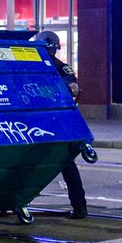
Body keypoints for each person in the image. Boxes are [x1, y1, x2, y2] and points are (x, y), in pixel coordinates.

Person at [34, 30, 87, 220]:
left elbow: (73, 86)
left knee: (65, 162)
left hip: (54, 121)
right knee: (63, 162)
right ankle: (79, 206)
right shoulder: (31, 67)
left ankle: (80, 206)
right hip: (40, 121)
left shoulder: (60, 68)